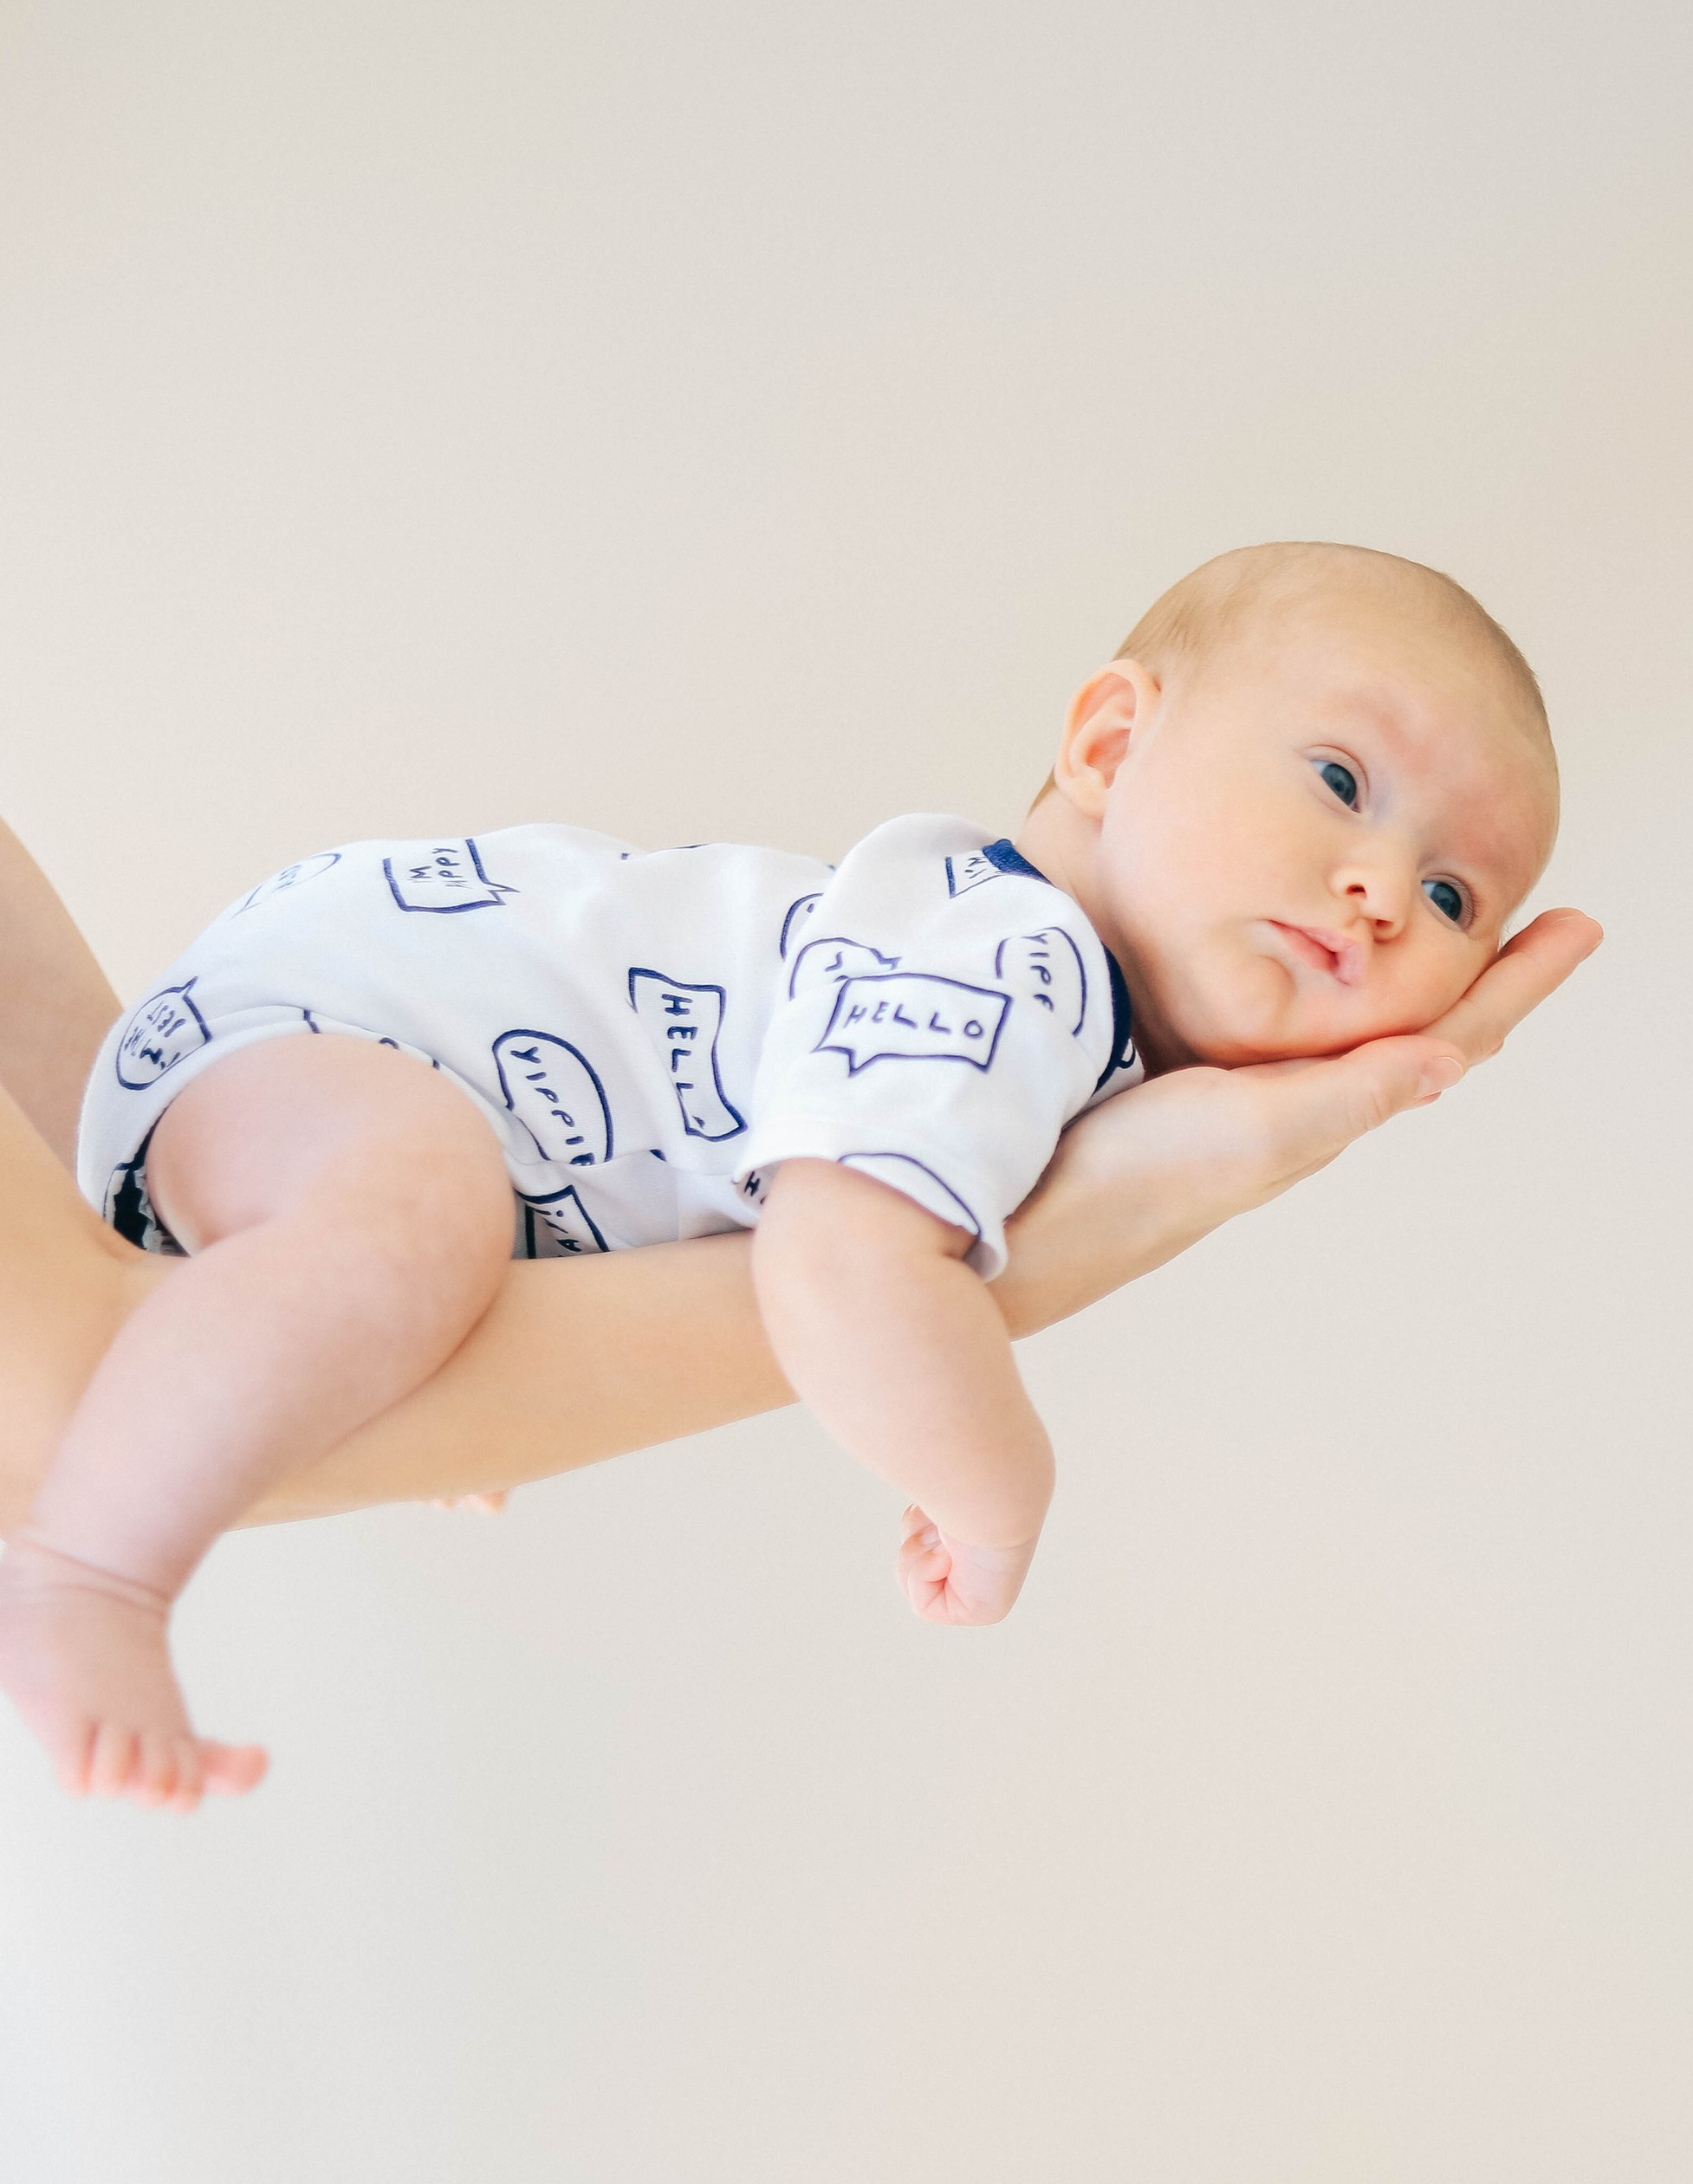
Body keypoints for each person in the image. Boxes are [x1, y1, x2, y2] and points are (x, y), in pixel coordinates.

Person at [0, 544, 1599, 1807]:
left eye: (1456, 897)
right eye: (1341, 782)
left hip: (316, 1052)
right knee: (412, 1223)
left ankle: (314, 1322)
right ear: (1112, 743)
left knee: (419, 1254)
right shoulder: (1021, 970)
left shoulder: (1006, 963)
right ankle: (85, 1571)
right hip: (351, 1034)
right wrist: (997, 1495)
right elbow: (839, 1268)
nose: (1382, 887)